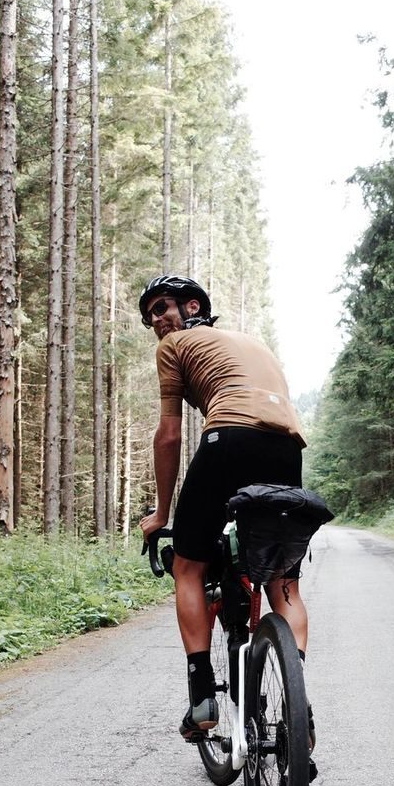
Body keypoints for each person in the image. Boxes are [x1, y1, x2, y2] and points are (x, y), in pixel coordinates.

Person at [138, 274, 314, 749]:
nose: (156, 321)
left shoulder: (175, 346)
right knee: (282, 579)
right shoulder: (248, 343)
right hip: (286, 448)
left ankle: (201, 697)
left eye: (162, 308)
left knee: (188, 565)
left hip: (228, 439)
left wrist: (159, 515)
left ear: (192, 306)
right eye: (151, 316)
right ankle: (299, 710)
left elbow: (169, 435)